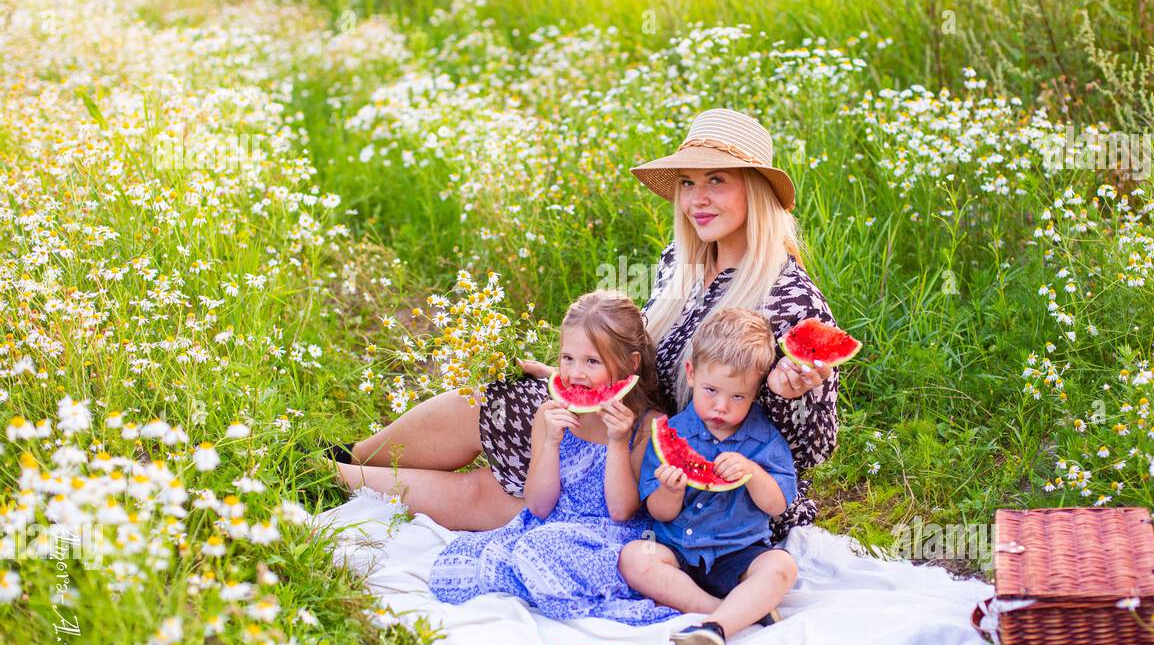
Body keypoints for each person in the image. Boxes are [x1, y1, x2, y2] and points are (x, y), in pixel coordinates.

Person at [329, 108, 840, 543]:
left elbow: (814, 448)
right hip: (635, 423)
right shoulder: (679, 263)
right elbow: (652, 366)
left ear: (755, 190)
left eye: (716, 181)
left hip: (690, 479)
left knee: (504, 489)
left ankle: (333, 479)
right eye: (688, 182)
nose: (697, 198)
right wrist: (581, 371)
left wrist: (786, 395)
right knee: (497, 397)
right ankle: (342, 459)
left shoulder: (789, 298)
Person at [426, 289, 681, 625]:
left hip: (609, 539)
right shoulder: (551, 413)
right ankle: (542, 580)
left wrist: (618, 442)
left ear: (630, 364)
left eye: (592, 362)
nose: (575, 374)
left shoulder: (646, 426)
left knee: (542, 546)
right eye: (567, 359)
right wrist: (550, 444)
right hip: (552, 523)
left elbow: (621, 511)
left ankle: (552, 584)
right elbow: (539, 506)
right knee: (466, 562)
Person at [619, 307, 799, 645]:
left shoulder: (764, 441)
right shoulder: (671, 435)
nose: (721, 406)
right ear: (691, 373)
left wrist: (754, 474)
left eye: (737, 397)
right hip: (678, 551)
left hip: (739, 553)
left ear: (756, 393)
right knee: (634, 558)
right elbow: (659, 512)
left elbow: (778, 504)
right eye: (711, 390)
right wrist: (670, 490)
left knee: (782, 566)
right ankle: (726, 612)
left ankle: (715, 628)